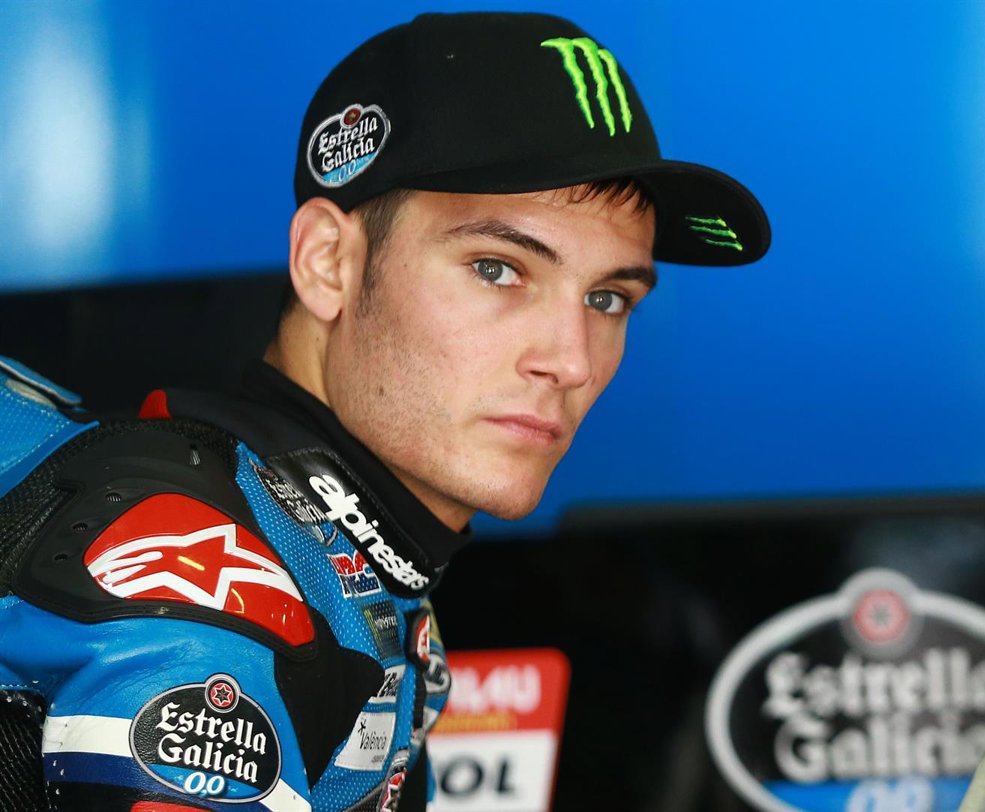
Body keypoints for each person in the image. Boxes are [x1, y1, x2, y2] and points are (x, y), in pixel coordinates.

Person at [0, 11, 769, 812]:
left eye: (607, 298)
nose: (571, 361)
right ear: (328, 263)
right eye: (497, 268)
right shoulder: (204, 592)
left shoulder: (347, 562)